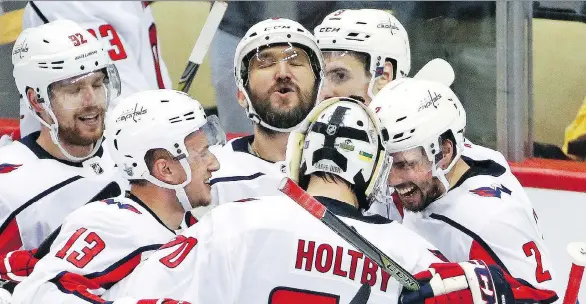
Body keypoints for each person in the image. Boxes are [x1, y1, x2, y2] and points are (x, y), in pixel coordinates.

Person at [109, 96, 514, 303]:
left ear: (297, 159)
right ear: (375, 172)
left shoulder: (228, 225)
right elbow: (503, 291)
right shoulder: (415, 257)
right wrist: (484, 283)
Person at [11, 89, 224, 303]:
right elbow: (41, 294)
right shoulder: (112, 224)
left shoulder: (187, 224)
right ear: (165, 169)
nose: (214, 164)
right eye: (203, 153)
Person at [372, 78, 559, 303]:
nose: (391, 180)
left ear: (445, 152)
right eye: (386, 163)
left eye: (404, 164)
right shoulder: (465, 157)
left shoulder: (487, 221)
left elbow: (545, 299)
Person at [314, 8, 509, 220]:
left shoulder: (452, 168)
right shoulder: (319, 147)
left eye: (340, 76)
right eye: (320, 76)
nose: (323, 93)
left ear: (383, 75)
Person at [0, 19, 125, 257]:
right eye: (74, 90)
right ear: (37, 100)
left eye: (97, 84)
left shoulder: (133, 147)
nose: (92, 101)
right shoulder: (9, 188)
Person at [209, 18, 324, 205]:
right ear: (241, 94)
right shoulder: (212, 175)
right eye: (266, 64)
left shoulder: (351, 170)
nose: (283, 73)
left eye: (295, 62)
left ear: (320, 86)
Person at [18, 1, 172, 137]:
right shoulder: (64, 6)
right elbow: (119, 110)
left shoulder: (133, 7)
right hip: (103, 153)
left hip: (142, 142)